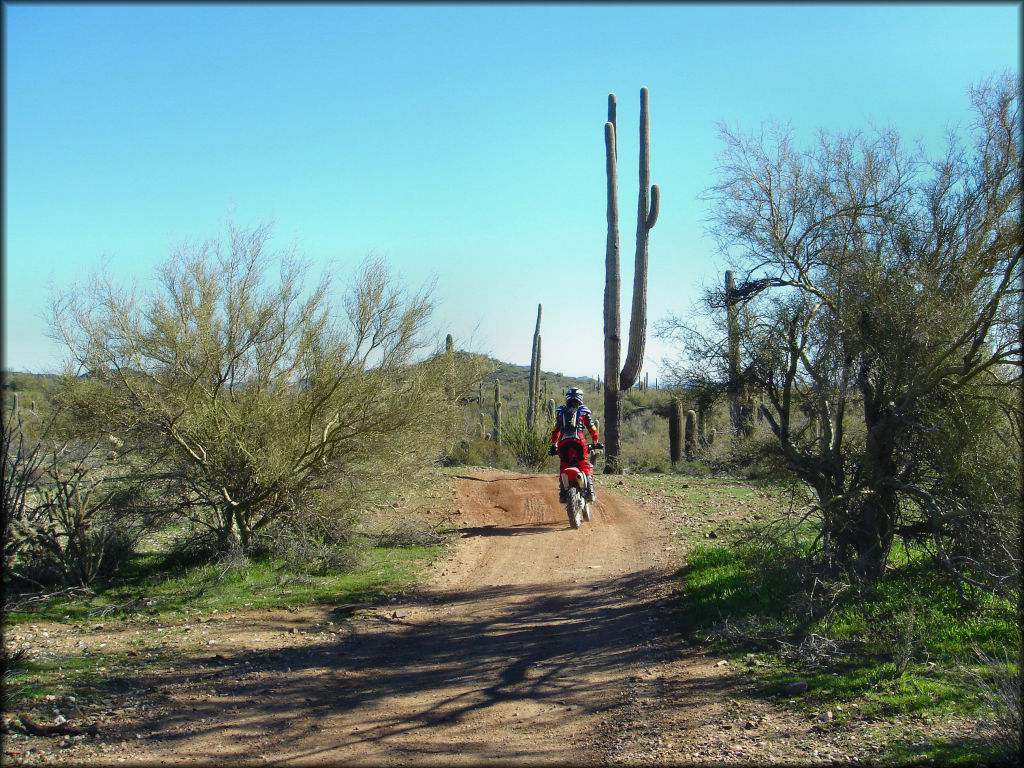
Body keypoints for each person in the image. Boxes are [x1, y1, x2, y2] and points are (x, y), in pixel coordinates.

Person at [548, 387, 603, 502]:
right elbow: (591, 427)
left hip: (563, 442)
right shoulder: (583, 410)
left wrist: (554, 444)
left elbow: (555, 430)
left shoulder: (560, 411)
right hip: (578, 440)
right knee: (584, 464)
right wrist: (595, 441)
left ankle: (563, 493)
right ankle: (590, 492)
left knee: (564, 465)